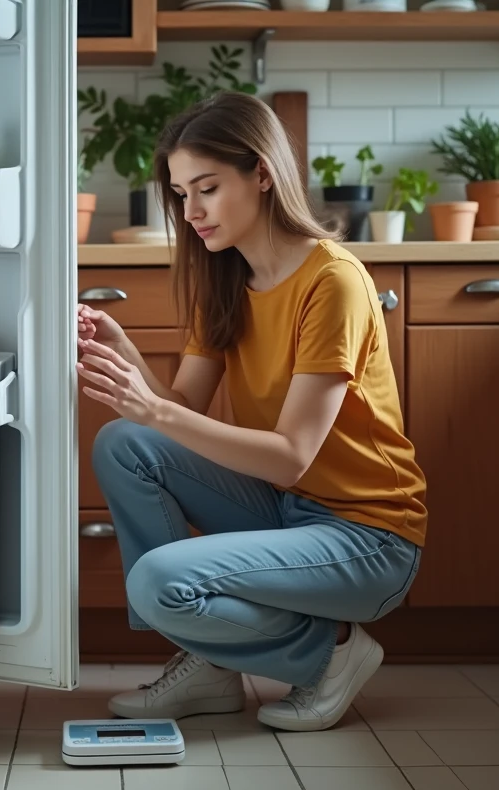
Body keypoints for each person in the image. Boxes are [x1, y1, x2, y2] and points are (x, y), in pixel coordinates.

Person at [76, 91, 426, 733]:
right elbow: (178, 411)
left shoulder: (334, 282)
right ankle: (212, 664)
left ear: (262, 173)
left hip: (368, 537)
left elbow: (292, 458)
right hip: (291, 510)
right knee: (123, 442)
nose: (192, 211)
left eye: (206, 188)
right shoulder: (227, 281)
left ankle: (335, 653)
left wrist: (154, 410)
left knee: (157, 579)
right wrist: (127, 358)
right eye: (181, 195)